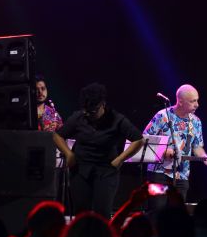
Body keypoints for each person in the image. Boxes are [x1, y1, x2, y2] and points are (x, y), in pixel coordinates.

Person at [53, 83, 144, 218]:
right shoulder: (79, 117)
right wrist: (69, 153)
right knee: (81, 212)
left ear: (103, 104)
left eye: (93, 111)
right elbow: (57, 135)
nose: (88, 114)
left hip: (106, 170)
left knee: (102, 212)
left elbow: (138, 140)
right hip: (80, 169)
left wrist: (120, 159)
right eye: (86, 111)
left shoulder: (117, 119)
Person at [144, 84, 207, 204]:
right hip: (159, 174)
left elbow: (197, 146)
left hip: (182, 175)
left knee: (177, 215)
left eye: (197, 100)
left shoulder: (196, 122)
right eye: (192, 101)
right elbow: (144, 139)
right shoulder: (162, 116)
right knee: (157, 211)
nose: (197, 104)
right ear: (181, 102)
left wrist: (203, 156)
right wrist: (164, 152)